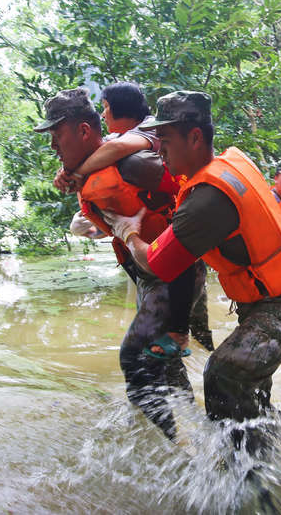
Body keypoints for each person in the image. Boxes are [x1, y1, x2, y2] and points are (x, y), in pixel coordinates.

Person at [104, 91, 281, 454]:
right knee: (250, 400)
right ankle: (271, 463)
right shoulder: (227, 165)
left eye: (166, 142)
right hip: (274, 299)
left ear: (194, 138)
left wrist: (127, 231)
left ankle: (241, 479)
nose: (159, 152)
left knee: (222, 375)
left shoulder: (207, 199)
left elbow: (156, 262)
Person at [33, 87, 205, 441]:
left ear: (83, 131)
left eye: (57, 135)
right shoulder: (97, 164)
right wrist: (70, 172)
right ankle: (196, 433)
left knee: (135, 357)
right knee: (165, 363)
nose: (52, 145)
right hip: (147, 272)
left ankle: (164, 450)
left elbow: (186, 191)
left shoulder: (135, 162)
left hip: (172, 272)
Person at [54, 82, 214, 352]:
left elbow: (116, 150)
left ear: (121, 110)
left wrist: (76, 172)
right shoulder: (125, 141)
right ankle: (193, 350)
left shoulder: (149, 132)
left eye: (105, 109)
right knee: (192, 337)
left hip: (172, 252)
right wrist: (68, 173)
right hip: (156, 252)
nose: (103, 116)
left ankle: (184, 344)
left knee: (148, 352)